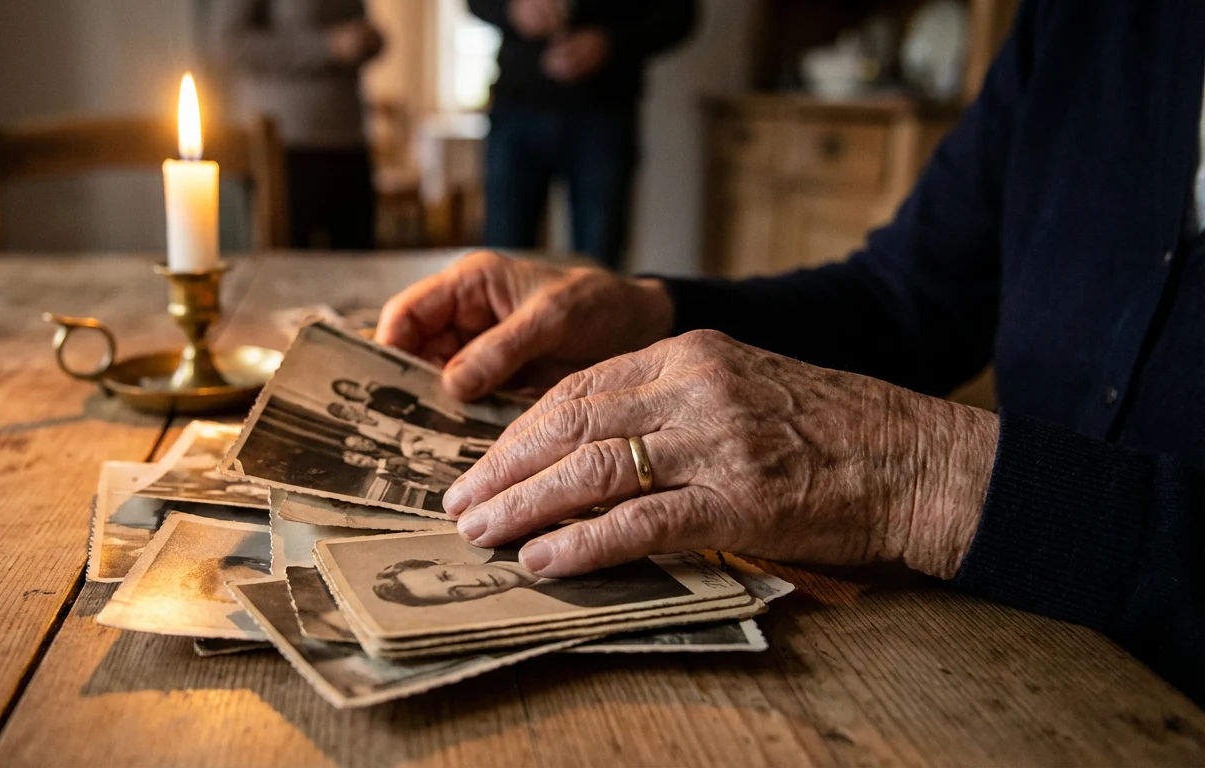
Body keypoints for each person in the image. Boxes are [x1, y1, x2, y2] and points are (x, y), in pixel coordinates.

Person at [373, 1, 1205, 704]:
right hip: (1001, 665)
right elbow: (902, 301)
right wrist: (647, 310)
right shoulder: (1088, 20)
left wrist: (927, 475)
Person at [467, 0, 697, 269]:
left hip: (605, 112)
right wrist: (512, 9)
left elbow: (678, 15)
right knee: (501, 261)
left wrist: (611, 44)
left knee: (598, 266)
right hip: (517, 107)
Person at [213, 0, 383, 249]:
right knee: (286, 264)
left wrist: (370, 41)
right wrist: (326, 46)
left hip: (349, 138)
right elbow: (230, 42)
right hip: (289, 144)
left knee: (361, 260)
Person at [372, 549, 690, 608]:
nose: (472, 586)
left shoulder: (519, 532)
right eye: (455, 593)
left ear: (443, 560)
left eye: (447, 575)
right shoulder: (585, 604)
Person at [331, 378, 504, 439]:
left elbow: (418, 399)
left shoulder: (382, 391)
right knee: (464, 438)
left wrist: (445, 410)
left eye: (350, 387)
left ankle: (502, 434)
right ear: (348, 397)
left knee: (470, 427)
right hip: (421, 426)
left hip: (429, 413)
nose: (352, 391)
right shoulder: (370, 409)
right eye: (347, 392)